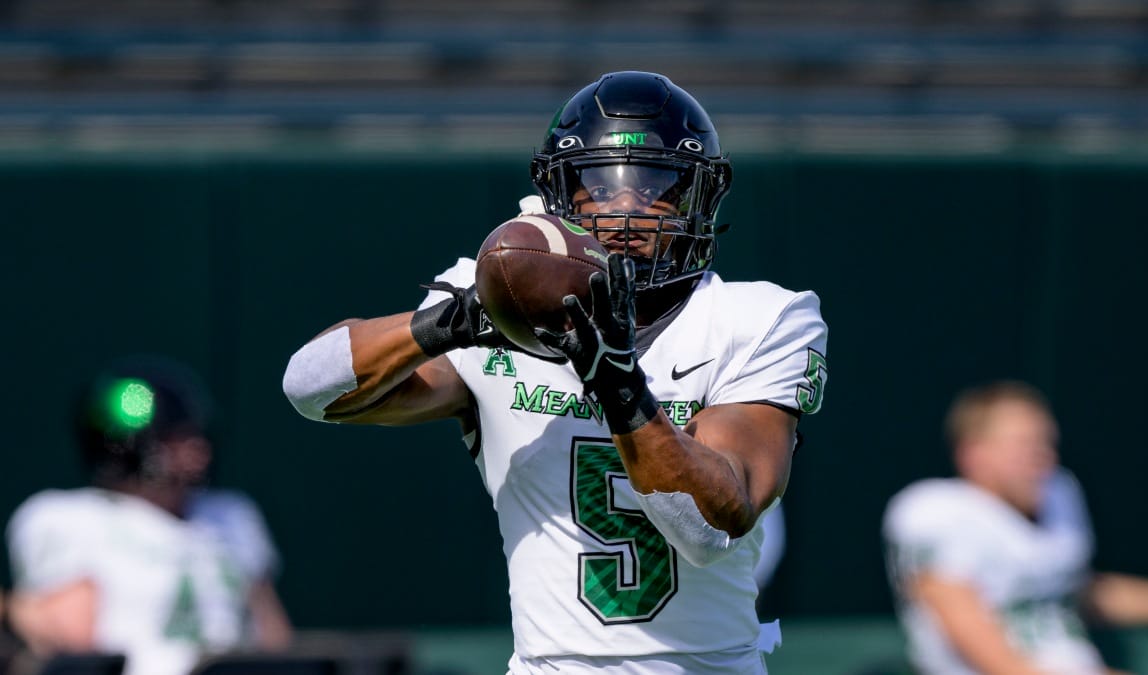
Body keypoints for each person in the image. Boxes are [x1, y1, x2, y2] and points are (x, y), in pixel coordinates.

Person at [282, 70, 829, 674]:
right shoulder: (494, 306)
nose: (626, 207)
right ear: (559, 195)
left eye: (656, 184)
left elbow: (707, 529)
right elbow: (309, 388)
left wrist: (616, 382)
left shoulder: (761, 318)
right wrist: (450, 322)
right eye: (599, 185)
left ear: (698, 197)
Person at [882, 380, 1148, 675]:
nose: (1042, 456)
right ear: (973, 454)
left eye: (1046, 442)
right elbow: (1003, 664)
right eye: (1024, 445)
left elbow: (1071, 590)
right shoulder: (932, 512)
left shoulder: (1059, 493)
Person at [6, 355, 292, 675]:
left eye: (194, 435)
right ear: (124, 444)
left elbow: (273, 636)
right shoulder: (67, 517)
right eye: (174, 438)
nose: (196, 449)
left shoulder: (232, 515)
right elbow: (76, 643)